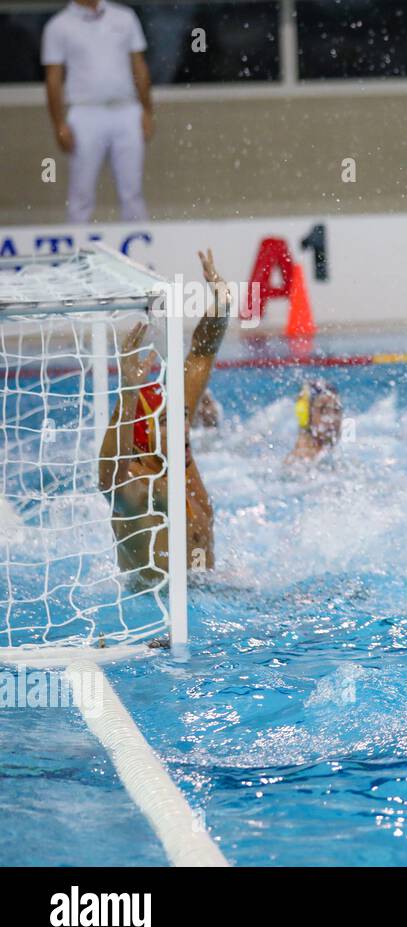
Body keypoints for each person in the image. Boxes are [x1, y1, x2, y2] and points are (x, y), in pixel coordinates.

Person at [98, 249, 230, 590]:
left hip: (208, 596)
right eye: (172, 422)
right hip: (158, 622)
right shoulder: (135, 492)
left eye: (183, 417)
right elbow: (109, 472)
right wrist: (128, 393)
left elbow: (201, 353)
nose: (185, 428)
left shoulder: (175, 456)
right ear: (143, 438)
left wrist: (221, 305)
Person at [42, 0, 154, 223]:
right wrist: (59, 124)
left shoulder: (125, 17)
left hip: (126, 109)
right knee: (81, 195)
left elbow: (138, 66)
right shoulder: (58, 25)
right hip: (85, 113)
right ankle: (78, 251)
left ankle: (140, 253)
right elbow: (53, 79)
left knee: (132, 192)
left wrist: (147, 110)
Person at [284, 379, 343, 464]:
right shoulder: (298, 463)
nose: (332, 419)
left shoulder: (329, 458)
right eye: (323, 410)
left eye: (336, 410)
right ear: (307, 415)